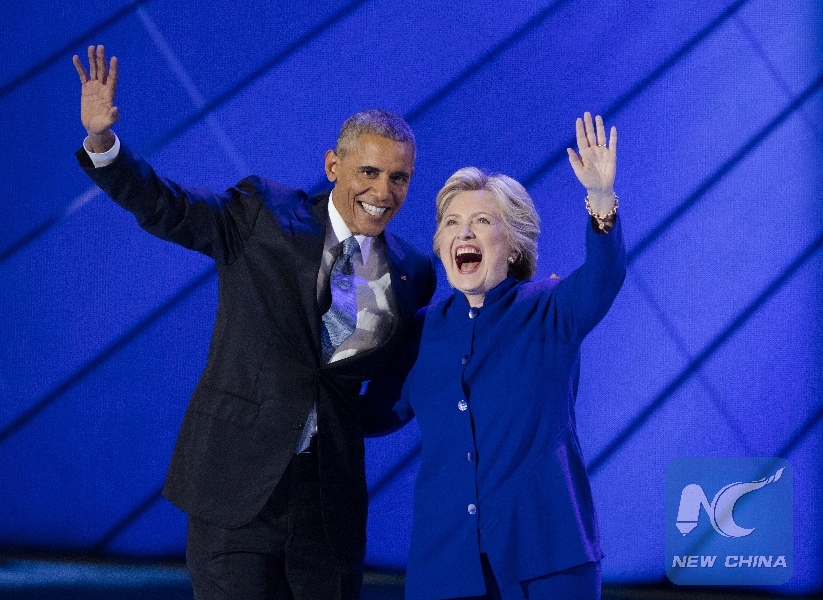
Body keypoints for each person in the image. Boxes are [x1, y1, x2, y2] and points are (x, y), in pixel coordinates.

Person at [72, 45, 436, 599]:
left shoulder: (413, 271)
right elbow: (169, 207)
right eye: (369, 171)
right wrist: (104, 144)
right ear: (333, 166)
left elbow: (396, 380)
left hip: (329, 503)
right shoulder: (264, 212)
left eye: (399, 177)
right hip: (234, 487)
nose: (383, 192)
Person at [363, 113, 626, 599]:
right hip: (445, 568)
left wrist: (601, 198)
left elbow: (604, 277)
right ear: (441, 245)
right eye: (452, 223)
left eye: (482, 222)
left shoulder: (550, 310)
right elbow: (369, 416)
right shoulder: (421, 331)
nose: (464, 233)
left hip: (547, 561)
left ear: (514, 246)